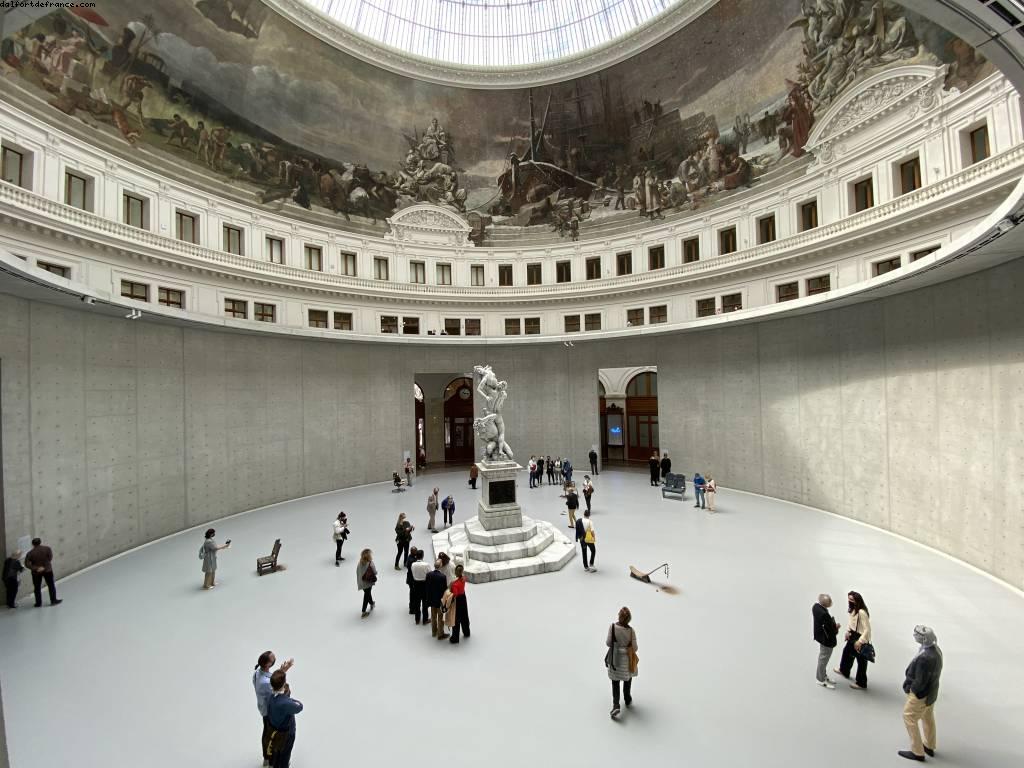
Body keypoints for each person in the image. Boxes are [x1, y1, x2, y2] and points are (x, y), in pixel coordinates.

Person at [900, 625, 943, 762]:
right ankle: (929, 745)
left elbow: (920, 681)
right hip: (932, 692)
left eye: (917, 634)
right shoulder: (936, 651)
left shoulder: (925, 658)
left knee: (909, 717)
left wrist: (912, 689)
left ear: (923, 638)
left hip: (921, 694)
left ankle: (917, 751)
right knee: (927, 717)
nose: (914, 635)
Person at [253, 652, 294, 767]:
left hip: (263, 707)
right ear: (267, 664)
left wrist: (281, 671)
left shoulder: (258, 672)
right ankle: (269, 758)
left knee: (267, 733)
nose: (275, 659)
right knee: (269, 734)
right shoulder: (265, 683)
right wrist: (283, 675)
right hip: (268, 711)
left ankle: (268, 757)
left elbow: (273, 681)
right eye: (272, 659)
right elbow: (277, 687)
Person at [266, 669, 303, 768]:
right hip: (286, 734)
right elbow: (299, 707)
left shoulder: (270, 695)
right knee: (285, 754)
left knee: (276, 751)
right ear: (283, 684)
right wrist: (290, 699)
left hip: (274, 730)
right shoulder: (285, 703)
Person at [606, 606, 639, 718]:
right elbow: (635, 648)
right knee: (627, 680)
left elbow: (608, 643)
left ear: (619, 616)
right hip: (626, 661)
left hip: (615, 660)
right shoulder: (631, 631)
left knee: (615, 683)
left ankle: (616, 705)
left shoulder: (613, 627)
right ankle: (627, 699)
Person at [836, 590, 871, 689]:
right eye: (849, 598)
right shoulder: (853, 609)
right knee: (847, 653)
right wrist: (848, 631)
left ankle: (861, 683)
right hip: (852, 635)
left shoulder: (861, 612)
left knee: (861, 661)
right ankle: (844, 670)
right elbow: (851, 622)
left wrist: (860, 641)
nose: (850, 600)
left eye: (852, 599)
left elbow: (867, 629)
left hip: (859, 637)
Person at [812, 594, 840, 688]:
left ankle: (823, 675)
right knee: (823, 659)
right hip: (826, 640)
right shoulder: (824, 615)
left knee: (822, 658)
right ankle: (820, 679)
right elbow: (831, 630)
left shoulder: (815, 607)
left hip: (820, 636)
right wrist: (836, 627)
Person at [24, 538, 62, 607]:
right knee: (51, 585)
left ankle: (38, 603)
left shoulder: (30, 553)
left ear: (32, 544)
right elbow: (50, 558)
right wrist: (44, 566)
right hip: (47, 570)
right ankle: (53, 600)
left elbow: (27, 564)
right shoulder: (47, 549)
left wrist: (36, 568)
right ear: (40, 542)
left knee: (37, 587)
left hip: (36, 572)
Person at [425, 560, 449, 640]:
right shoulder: (443, 577)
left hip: (432, 600)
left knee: (433, 616)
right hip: (439, 601)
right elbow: (445, 590)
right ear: (440, 566)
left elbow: (427, 588)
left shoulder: (428, 575)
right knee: (440, 618)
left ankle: (434, 632)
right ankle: (440, 634)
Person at [449, 564, 471, 643]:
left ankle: (455, 638)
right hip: (463, 598)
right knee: (464, 616)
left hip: (457, 600)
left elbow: (455, 594)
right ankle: (466, 632)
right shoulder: (463, 578)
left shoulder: (454, 583)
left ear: (456, 572)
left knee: (456, 619)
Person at [410, 549, 431, 625]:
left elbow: (413, 573)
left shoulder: (413, 564)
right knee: (425, 603)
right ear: (423, 556)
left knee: (417, 602)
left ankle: (417, 619)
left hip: (416, 584)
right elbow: (429, 575)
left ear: (416, 556)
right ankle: (425, 619)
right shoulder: (426, 565)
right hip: (424, 584)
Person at [356, 548, 377, 618]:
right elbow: (375, 572)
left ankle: (371, 603)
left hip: (361, 582)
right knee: (366, 596)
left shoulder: (359, 563)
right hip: (368, 582)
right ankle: (363, 612)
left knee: (367, 593)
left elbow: (358, 572)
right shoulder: (370, 563)